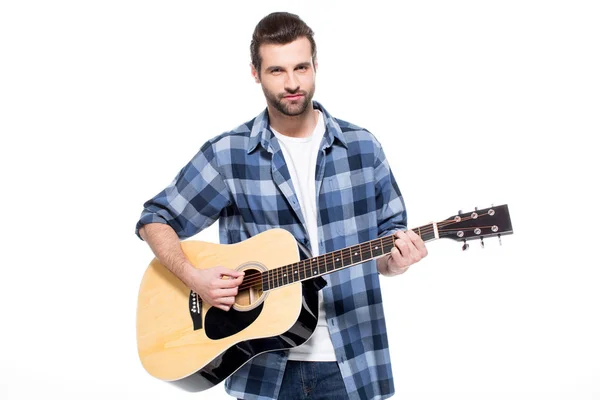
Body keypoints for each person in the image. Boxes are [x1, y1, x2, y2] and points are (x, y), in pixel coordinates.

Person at [135, 11, 428, 400]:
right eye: (276, 71)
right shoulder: (229, 155)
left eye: (301, 67)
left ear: (315, 66)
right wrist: (195, 278)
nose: (292, 83)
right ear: (255, 73)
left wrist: (396, 261)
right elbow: (155, 218)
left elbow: (386, 247)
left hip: (353, 363)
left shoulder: (363, 148)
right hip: (263, 370)